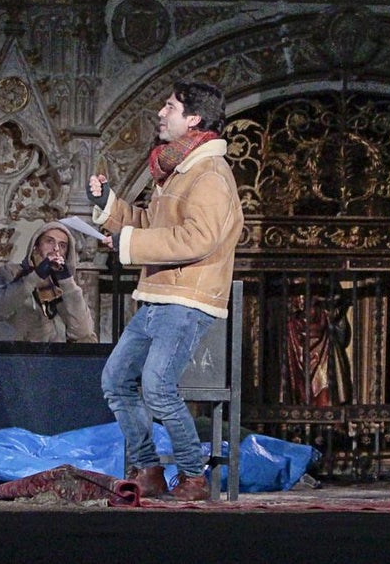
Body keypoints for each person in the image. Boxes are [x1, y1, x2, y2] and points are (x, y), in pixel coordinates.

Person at [89, 82, 243, 501]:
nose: (160, 112)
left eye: (170, 106)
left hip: (186, 298)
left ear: (194, 118)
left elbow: (199, 237)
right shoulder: (179, 169)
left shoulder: (209, 174)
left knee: (158, 386)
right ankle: (148, 468)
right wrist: (110, 207)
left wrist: (128, 242)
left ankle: (193, 475)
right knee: (116, 380)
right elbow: (153, 225)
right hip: (160, 294)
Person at [0, 222, 98, 343]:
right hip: (13, 351)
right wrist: (36, 276)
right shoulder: (11, 272)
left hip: (53, 353)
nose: (56, 249)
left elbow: (84, 332)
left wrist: (67, 282)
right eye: (49, 241)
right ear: (36, 247)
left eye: (62, 245)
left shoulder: (65, 286)